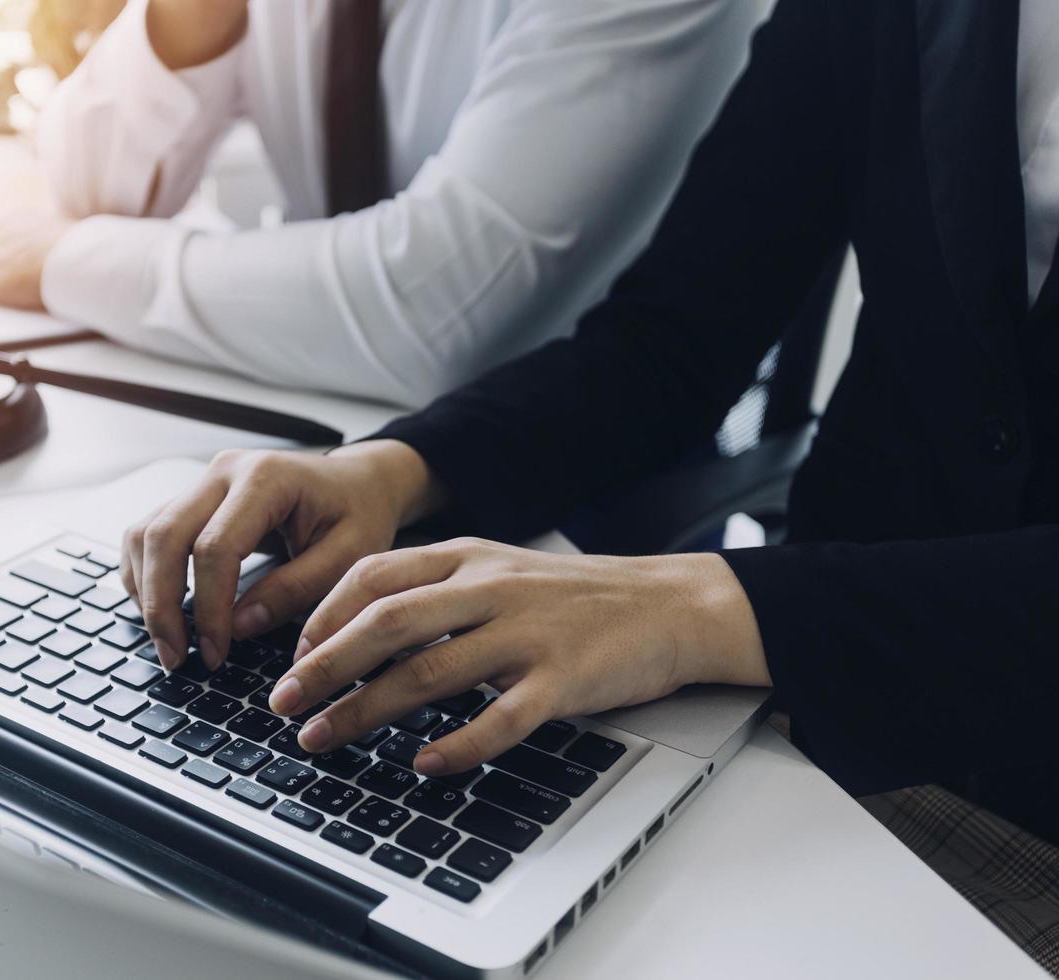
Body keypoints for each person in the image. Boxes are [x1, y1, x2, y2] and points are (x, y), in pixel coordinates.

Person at [122, 0, 1059, 955]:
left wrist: (706, 607)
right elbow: (672, 342)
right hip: (815, 737)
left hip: (930, 740)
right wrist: (395, 470)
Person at [0, 0, 769, 405]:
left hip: (562, 500)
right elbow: (92, 193)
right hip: (311, 422)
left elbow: (427, 318)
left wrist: (67, 261)